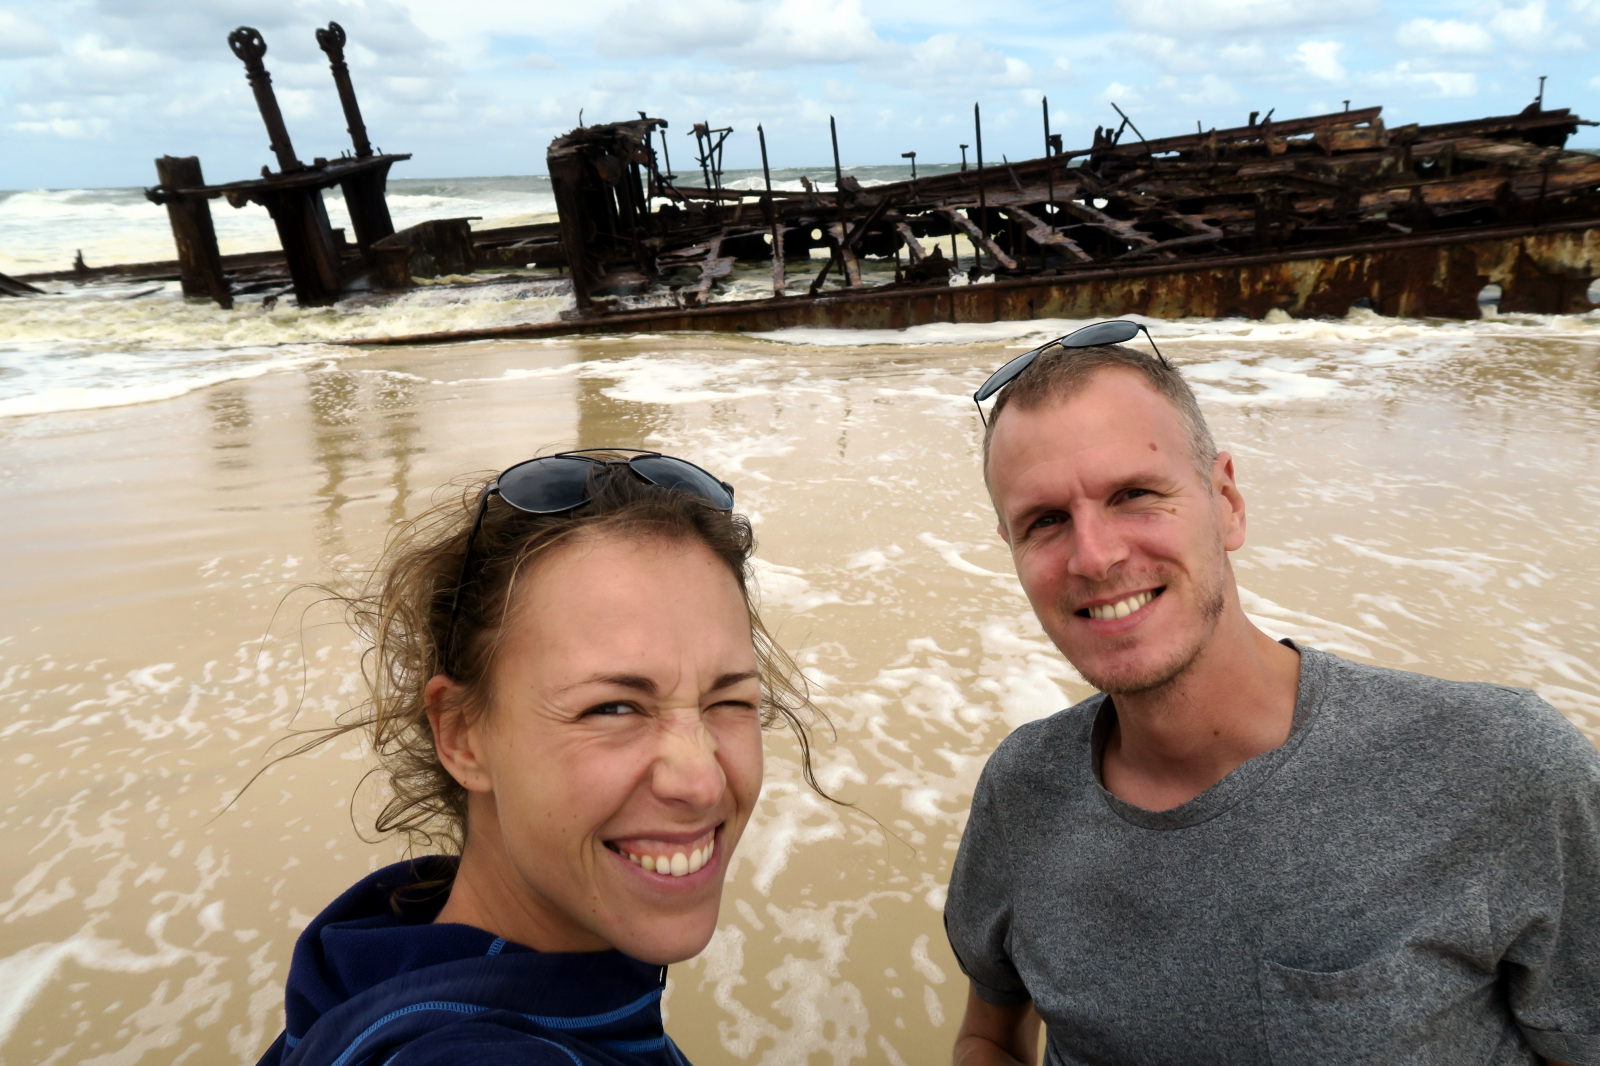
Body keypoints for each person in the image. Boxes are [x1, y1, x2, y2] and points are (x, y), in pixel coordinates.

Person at [944, 322, 1600, 1066]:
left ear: (1227, 501)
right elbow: (989, 1036)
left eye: (1134, 494)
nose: (1094, 556)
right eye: (1046, 521)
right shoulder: (1020, 789)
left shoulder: (1501, 769)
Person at [254, 448, 826, 1066]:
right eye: (613, 708)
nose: (702, 781)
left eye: (729, 701)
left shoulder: (380, 961)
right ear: (462, 734)